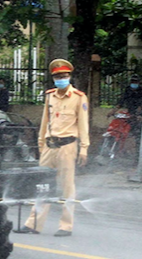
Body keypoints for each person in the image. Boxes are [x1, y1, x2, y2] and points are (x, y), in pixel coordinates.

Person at [16, 58, 89, 237]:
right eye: (57, 76)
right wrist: (41, 144)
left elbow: (83, 125)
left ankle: (66, 226)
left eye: (64, 76)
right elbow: (45, 121)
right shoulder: (50, 95)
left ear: (69, 76)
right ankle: (33, 224)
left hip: (67, 146)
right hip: (49, 146)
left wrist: (84, 148)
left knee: (67, 188)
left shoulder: (79, 98)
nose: (60, 79)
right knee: (42, 186)